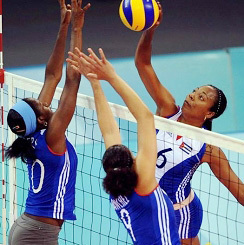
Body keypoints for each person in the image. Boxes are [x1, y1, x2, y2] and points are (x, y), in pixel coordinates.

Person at [134, 2, 244, 245]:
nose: (192, 95)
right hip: (148, 204)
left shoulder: (209, 148)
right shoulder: (167, 110)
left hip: (180, 213)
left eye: (201, 98)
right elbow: (143, 64)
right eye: (195, 91)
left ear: (209, 114)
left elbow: (239, 192)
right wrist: (150, 28)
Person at [67, 47, 181, 245]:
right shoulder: (143, 181)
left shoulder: (116, 184)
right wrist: (112, 77)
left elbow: (109, 132)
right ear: (131, 161)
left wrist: (95, 83)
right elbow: (145, 117)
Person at [6, 0, 90, 244]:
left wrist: (63, 25)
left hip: (31, 228)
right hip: (37, 234)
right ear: (41, 119)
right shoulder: (52, 136)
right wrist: (77, 28)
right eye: (42, 104)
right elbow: (72, 80)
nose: (46, 102)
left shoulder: (33, 132)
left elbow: (53, 75)